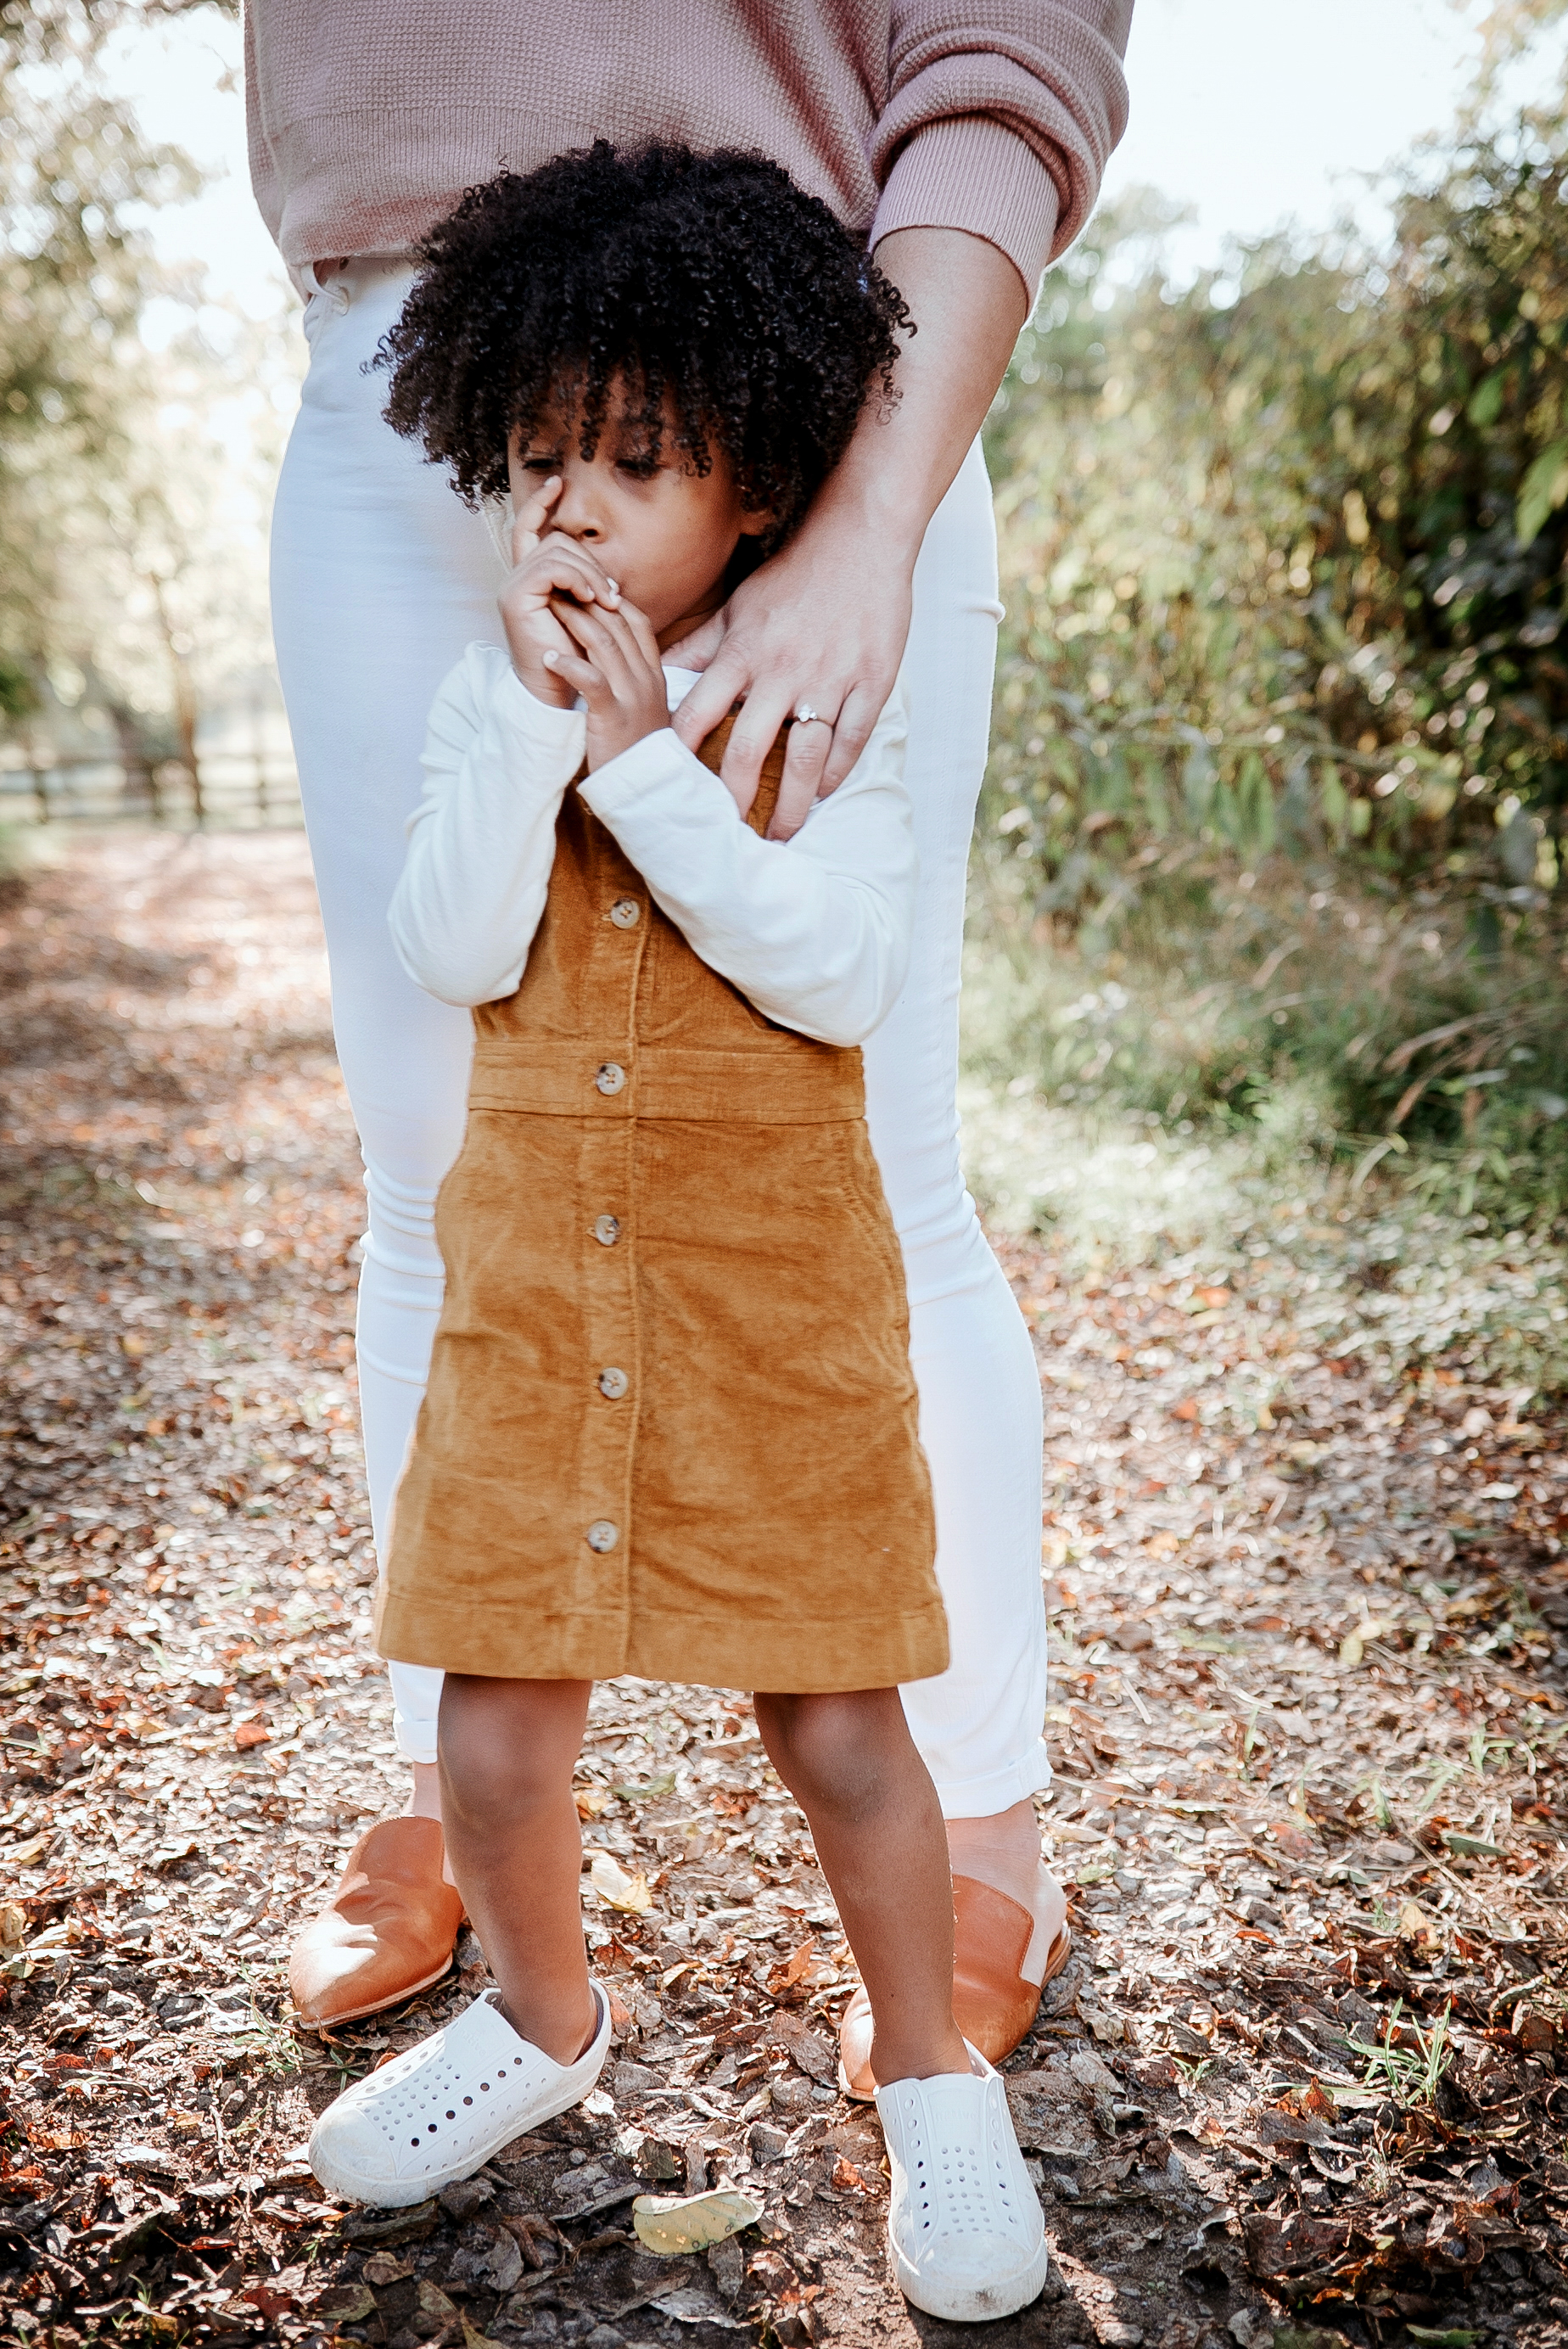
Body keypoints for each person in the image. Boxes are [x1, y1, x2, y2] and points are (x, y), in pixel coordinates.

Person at [250, 1, 1134, 2077]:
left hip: (811, 370)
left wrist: (871, 510)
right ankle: (446, 1783)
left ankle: (981, 1814)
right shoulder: (499, 484)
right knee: (426, 1172)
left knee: (880, 1168)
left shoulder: (771, 448)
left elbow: (1019, 55)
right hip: (399, 359)